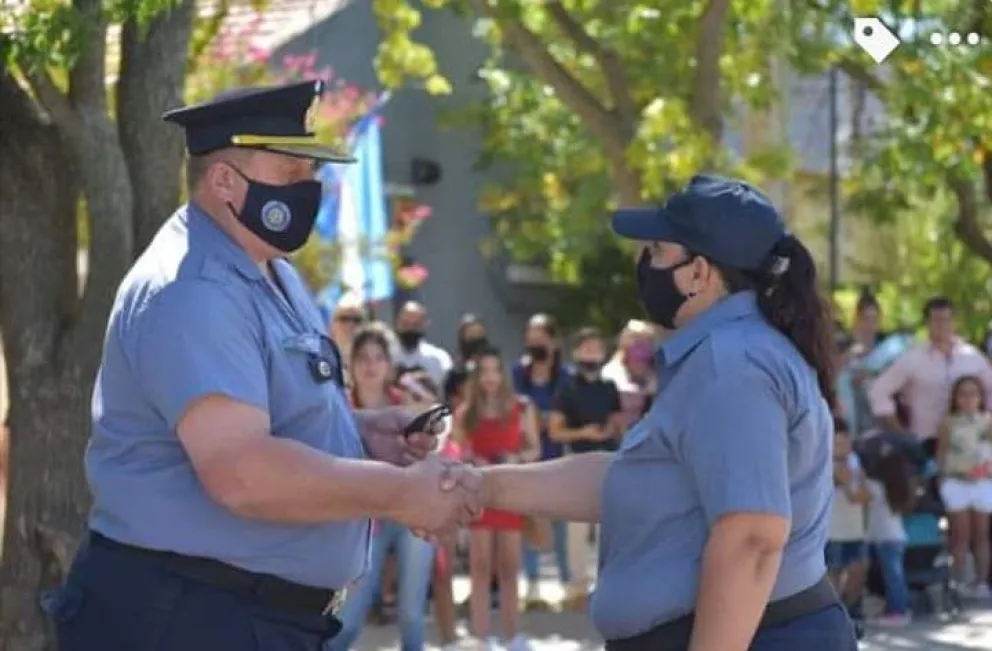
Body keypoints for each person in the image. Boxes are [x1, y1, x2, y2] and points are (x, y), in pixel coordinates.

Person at [47, 81, 481, 651]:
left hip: (237, 613)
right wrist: (399, 492)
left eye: (311, 171)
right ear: (224, 181)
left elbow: (269, 413)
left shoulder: (268, 269)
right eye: (291, 172)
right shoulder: (195, 288)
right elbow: (243, 472)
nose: (311, 188)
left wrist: (357, 432)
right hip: (189, 615)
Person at [452, 175, 858, 650]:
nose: (646, 262)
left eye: (660, 249)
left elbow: (752, 534)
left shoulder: (731, 364)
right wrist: (483, 486)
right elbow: (634, 478)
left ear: (699, 273)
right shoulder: (729, 353)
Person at [329, 325, 436, 651]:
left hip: (410, 515)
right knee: (347, 620)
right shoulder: (337, 406)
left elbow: (435, 426)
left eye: (378, 357)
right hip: (362, 522)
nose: (370, 365)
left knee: (412, 616)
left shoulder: (405, 404)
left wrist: (417, 393)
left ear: (389, 364)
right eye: (362, 357)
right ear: (351, 363)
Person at [454, 347, 541, 651]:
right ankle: (481, 637)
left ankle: (512, 635)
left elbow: (535, 451)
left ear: (504, 374)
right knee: (478, 567)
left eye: (495, 369)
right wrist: (470, 459)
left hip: (510, 495)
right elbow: (456, 453)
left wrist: (515, 456)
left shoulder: (522, 407)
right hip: (478, 498)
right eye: (484, 371)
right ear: (476, 377)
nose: (490, 377)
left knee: (508, 567)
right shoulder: (466, 412)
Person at [548, 326, 624, 610]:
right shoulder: (566, 388)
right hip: (577, 465)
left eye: (597, 348)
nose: (592, 353)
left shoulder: (609, 387)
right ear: (577, 351)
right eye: (587, 348)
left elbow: (619, 424)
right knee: (577, 532)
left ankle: (608, 588)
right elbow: (556, 431)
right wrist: (585, 434)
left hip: (608, 463)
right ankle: (578, 590)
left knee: (608, 531)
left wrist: (612, 429)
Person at [870, 297, 992, 451]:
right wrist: (898, 429)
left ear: (955, 322)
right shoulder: (912, 359)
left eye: (947, 320)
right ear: (927, 323)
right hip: (927, 441)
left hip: (970, 442)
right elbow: (879, 391)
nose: (942, 326)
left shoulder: (972, 357)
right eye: (936, 320)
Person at [511, 313, 572, 610]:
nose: (535, 345)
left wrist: (547, 420)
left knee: (559, 526)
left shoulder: (567, 378)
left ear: (553, 341)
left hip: (560, 460)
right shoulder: (517, 375)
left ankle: (567, 585)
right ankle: (532, 585)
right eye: (530, 339)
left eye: (541, 339)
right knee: (529, 523)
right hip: (527, 461)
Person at [935, 375, 992, 598]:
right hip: (956, 481)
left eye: (973, 394)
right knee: (960, 533)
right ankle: (958, 581)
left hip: (983, 482)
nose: (968, 399)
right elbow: (941, 453)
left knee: (981, 533)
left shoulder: (988, 420)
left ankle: (980, 583)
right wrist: (943, 476)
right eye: (963, 394)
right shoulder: (948, 422)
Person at [825, 419, 869, 634]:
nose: (841, 447)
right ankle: (833, 618)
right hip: (832, 532)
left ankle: (848, 612)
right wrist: (839, 480)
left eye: (845, 442)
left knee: (859, 570)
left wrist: (850, 484)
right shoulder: (820, 464)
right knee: (833, 574)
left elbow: (862, 496)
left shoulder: (855, 462)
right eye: (836, 443)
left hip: (855, 530)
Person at [865, 447, 915, 627]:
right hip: (896, 537)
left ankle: (898, 611)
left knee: (893, 577)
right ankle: (899, 609)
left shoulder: (875, 486)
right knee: (895, 576)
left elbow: (858, 488)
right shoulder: (900, 488)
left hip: (885, 538)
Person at [601, 319, 657, 430]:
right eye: (636, 339)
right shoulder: (611, 371)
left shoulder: (653, 373)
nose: (641, 346)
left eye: (646, 340)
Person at [392, 301, 453, 390]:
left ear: (424, 325)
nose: (410, 329)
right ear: (397, 324)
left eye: (415, 325)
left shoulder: (439, 358)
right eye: (405, 324)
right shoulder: (386, 358)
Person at [443, 313, 490, 408]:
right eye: (471, 335)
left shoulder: (494, 367)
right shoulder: (456, 372)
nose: (475, 338)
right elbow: (450, 398)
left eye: (478, 334)